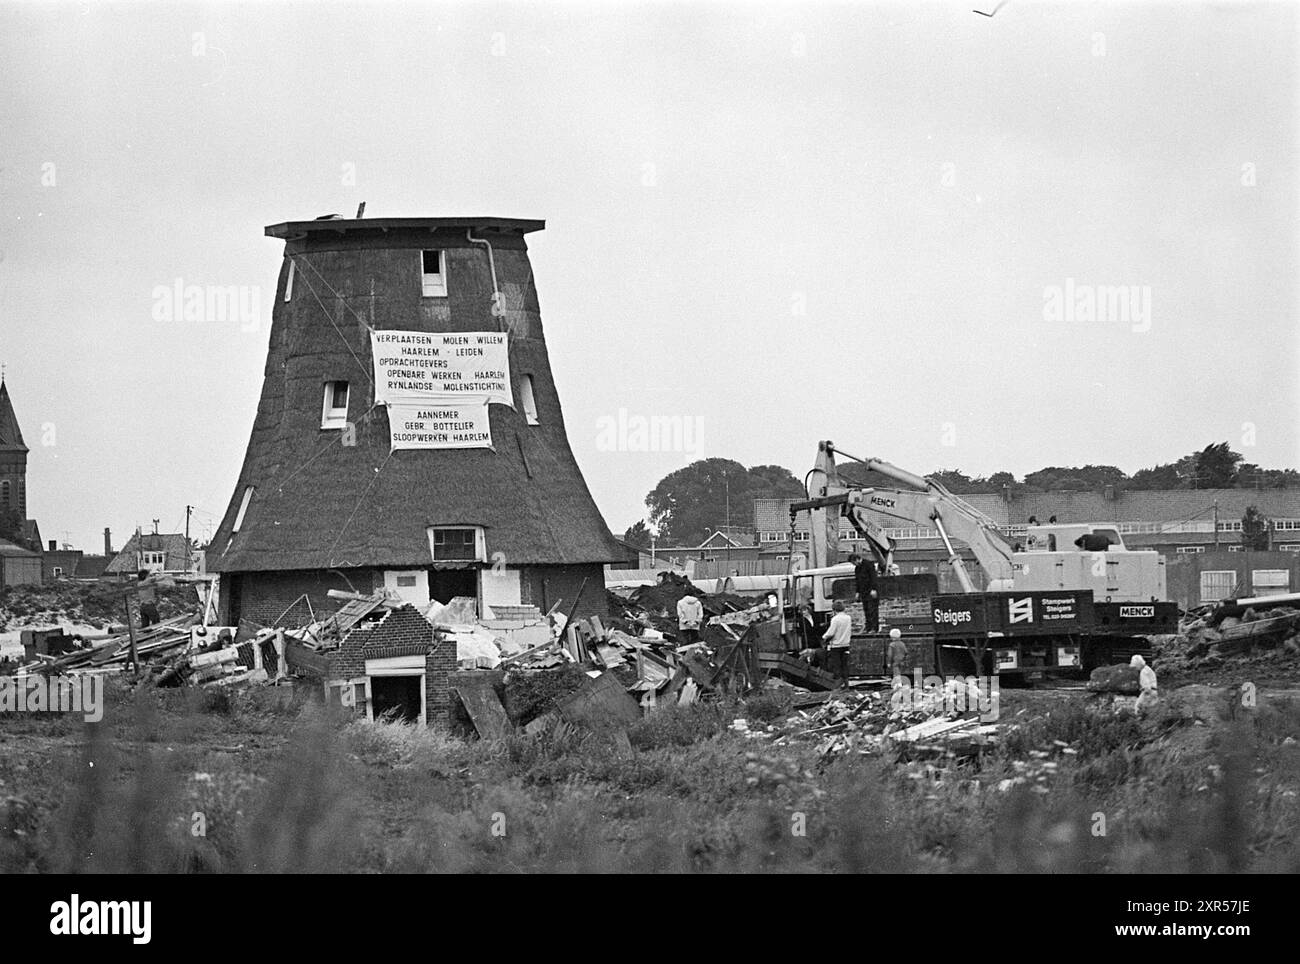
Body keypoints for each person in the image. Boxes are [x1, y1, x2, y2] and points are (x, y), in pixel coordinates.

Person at [822, 600, 853, 682]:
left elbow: (831, 632)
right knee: (845, 665)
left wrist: (824, 637)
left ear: (834, 609)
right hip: (846, 644)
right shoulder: (848, 618)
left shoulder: (835, 619)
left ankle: (838, 684)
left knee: (836, 665)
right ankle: (846, 684)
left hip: (836, 645)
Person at [848, 552, 879, 633]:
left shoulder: (869, 564)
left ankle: (874, 628)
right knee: (866, 610)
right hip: (863, 592)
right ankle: (868, 627)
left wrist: (873, 589)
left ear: (857, 559)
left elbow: (873, 578)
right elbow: (858, 581)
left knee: (873, 610)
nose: (854, 564)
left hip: (871, 591)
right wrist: (857, 592)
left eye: (853, 562)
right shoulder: (857, 569)